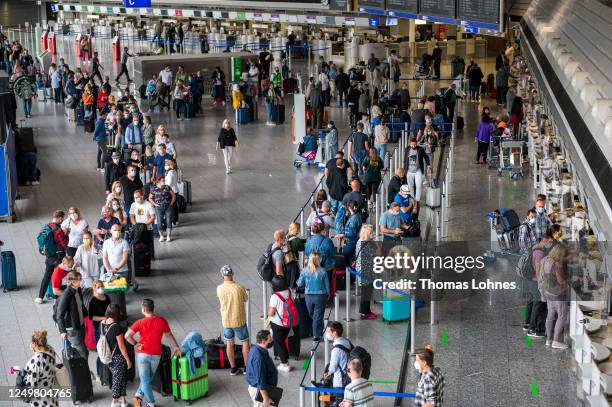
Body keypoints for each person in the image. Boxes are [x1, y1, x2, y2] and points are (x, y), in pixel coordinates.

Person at [125, 299, 182, 407]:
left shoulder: (139, 322)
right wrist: (176, 346)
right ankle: (138, 397)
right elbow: (169, 335)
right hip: (156, 354)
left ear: (143, 309)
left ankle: (150, 403)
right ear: (153, 308)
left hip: (142, 354)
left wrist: (136, 344)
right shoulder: (162, 321)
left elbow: (127, 336)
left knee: (145, 380)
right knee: (148, 378)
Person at [216, 265, 251, 376]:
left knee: (229, 343)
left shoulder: (219, 288)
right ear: (232, 274)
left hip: (226, 321)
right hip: (239, 320)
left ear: (222, 276)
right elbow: (245, 299)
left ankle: (233, 368)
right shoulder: (239, 287)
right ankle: (246, 367)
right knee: (245, 342)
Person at [101, 303, 132, 407]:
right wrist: (128, 359)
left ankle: (123, 400)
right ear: (117, 314)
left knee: (121, 377)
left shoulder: (102, 324)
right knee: (117, 379)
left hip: (106, 356)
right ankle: (114, 401)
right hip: (117, 357)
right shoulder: (116, 327)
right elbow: (122, 346)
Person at [523, 233, 553, 338]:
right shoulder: (540, 253)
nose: (550, 244)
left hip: (531, 280)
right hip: (536, 281)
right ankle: (532, 328)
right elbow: (538, 269)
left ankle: (527, 324)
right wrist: (543, 282)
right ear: (544, 241)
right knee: (537, 304)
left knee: (531, 302)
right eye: (549, 242)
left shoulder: (534, 247)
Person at [539, 244, 569, 349]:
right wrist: (569, 280)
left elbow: (541, 277)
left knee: (550, 315)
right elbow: (561, 281)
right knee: (562, 316)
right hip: (558, 294)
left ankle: (548, 340)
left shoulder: (544, 260)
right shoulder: (556, 264)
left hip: (547, 292)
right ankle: (556, 341)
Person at [36, 210, 68, 304]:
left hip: (49, 256)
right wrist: (66, 234)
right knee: (57, 276)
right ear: (59, 218)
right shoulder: (58, 230)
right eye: (62, 218)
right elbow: (64, 243)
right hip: (58, 257)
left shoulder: (47, 226)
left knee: (46, 276)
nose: (62, 220)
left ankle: (40, 297)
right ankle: (56, 296)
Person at [21, 330, 59, 407]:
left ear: (35, 344)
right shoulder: (50, 349)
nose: (30, 345)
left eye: (31, 343)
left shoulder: (36, 361)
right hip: (51, 390)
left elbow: (30, 384)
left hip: (41, 399)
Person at [296, 252, 330, 339]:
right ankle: (319, 329)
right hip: (321, 296)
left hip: (309, 296)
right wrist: (328, 295)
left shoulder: (305, 270)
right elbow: (327, 286)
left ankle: (316, 335)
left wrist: (296, 281)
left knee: (313, 314)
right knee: (317, 316)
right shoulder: (323, 271)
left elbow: (299, 283)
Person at [56, 271, 89, 359]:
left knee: (82, 350)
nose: (81, 281)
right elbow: (59, 314)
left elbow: (80, 306)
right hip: (72, 328)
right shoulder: (67, 295)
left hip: (79, 324)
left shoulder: (78, 290)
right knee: (83, 353)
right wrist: (62, 331)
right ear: (73, 282)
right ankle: (83, 371)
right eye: (79, 280)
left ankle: (80, 368)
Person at [267, 276, 295, 372]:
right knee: (282, 340)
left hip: (278, 323)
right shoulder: (290, 291)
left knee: (279, 342)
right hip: (289, 322)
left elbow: (270, 313)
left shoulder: (275, 297)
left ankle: (285, 364)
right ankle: (285, 357)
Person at [245, 330, 279, 407]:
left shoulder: (255, 349)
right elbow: (260, 379)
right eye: (269, 339)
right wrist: (265, 398)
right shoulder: (259, 358)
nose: (271, 341)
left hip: (262, 388)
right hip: (259, 390)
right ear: (263, 341)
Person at [324, 321, 352, 389]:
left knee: (339, 399)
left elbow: (332, 368)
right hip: (348, 377)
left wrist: (328, 374)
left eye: (328, 331)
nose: (326, 334)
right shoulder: (346, 341)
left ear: (334, 333)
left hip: (340, 381)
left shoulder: (336, 350)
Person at [148, 176, 176, 243]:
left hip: (168, 207)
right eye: (162, 181)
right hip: (159, 208)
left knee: (168, 221)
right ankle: (161, 236)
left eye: (164, 181)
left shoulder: (166, 187)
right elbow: (150, 198)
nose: (163, 182)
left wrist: (171, 203)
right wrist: (155, 204)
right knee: (159, 221)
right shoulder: (154, 189)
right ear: (158, 181)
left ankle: (168, 236)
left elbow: (173, 196)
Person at [404, 137, 430, 204]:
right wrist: (405, 169)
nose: (413, 146)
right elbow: (405, 160)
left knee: (418, 185)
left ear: (416, 144)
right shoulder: (407, 149)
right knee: (410, 186)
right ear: (410, 144)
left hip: (418, 170)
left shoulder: (420, 149)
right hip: (409, 170)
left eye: (415, 144)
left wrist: (428, 164)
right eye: (412, 145)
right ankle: (412, 200)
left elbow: (426, 157)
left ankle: (417, 200)